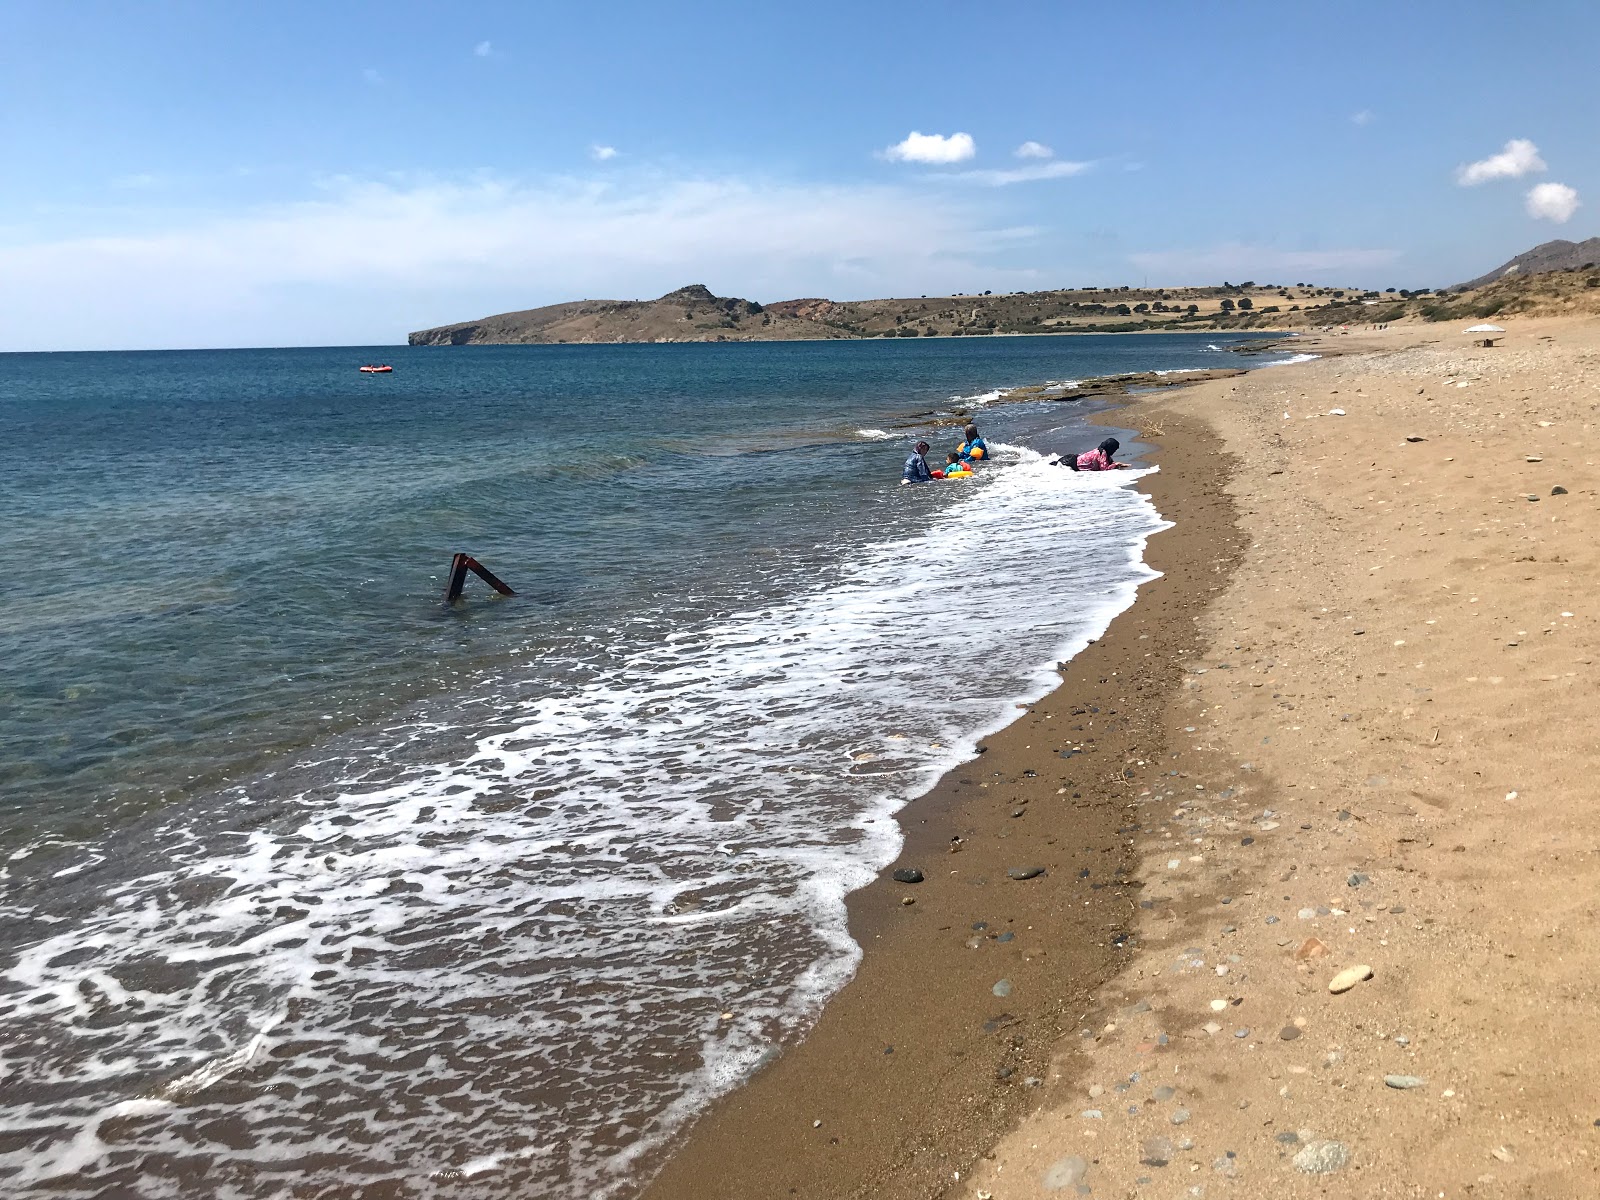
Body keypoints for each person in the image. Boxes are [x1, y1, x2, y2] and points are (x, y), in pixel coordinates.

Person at [1060, 437, 1131, 471]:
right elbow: (1104, 469)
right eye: (1114, 449)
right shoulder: (1102, 453)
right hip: (1072, 463)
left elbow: (1108, 463)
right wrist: (1117, 464)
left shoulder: (1101, 450)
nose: (1114, 451)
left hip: (1072, 459)